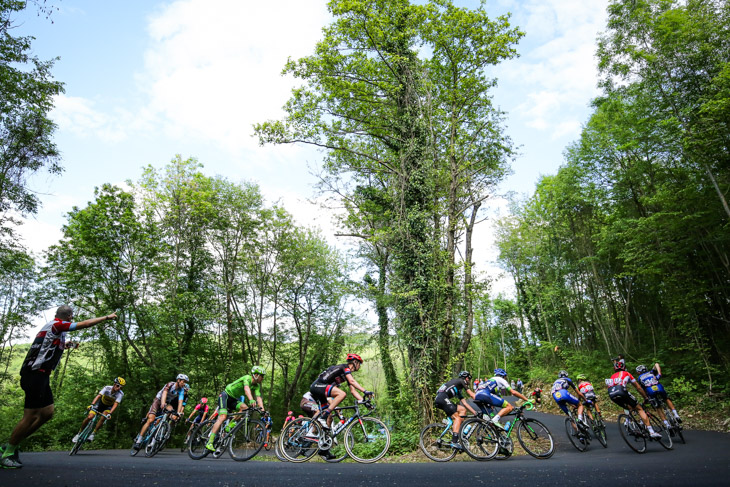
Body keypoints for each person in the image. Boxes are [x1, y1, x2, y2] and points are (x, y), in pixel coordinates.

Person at [0, 306, 117, 469]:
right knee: (31, 415)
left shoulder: (54, 329)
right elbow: (85, 324)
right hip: (34, 374)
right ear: (69, 316)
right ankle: (8, 452)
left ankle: (12, 444)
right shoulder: (57, 325)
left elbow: (47, 345)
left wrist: (67, 344)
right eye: (72, 317)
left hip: (42, 376)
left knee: (47, 413)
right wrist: (106, 317)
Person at [206, 366, 267, 452]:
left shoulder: (256, 386)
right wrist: (251, 399)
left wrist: (263, 410)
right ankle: (210, 442)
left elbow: (259, 398)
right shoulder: (247, 378)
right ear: (256, 375)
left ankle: (229, 426)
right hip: (225, 395)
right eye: (262, 376)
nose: (263, 378)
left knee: (245, 408)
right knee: (223, 417)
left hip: (233, 399)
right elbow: (246, 389)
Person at [310, 354, 371, 428]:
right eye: (359, 363)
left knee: (329, 417)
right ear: (355, 362)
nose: (360, 366)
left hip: (321, 390)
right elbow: (352, 381)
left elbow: (353, 391)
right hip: (317, 386)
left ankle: (311, 434)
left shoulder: (347, 374)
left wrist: (364, 402)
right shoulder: (344, 367)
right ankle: (323, 418)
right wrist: (365, 391)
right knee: (342, 394)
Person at [605, 357, 662, 438]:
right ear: (624, 368)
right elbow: (638, 388)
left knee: (630, 407)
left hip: (612, 395)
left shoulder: (612, 376)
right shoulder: (627, 373)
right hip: (621, 391)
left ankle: (628, 421)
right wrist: (646, 397)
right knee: (639, 408)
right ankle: (651, 432)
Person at [133, 373, 189, 449]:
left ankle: (153, 441)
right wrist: (162, 403)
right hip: (159, 400)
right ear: (178, 380)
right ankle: (138, 441)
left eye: (185, 382)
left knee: (165, 417)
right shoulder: (170, 384)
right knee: (151, 419)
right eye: (183, 381)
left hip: (167, 403)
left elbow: (180, 401)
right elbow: (164, 393)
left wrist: (178, 412)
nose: (184, 383)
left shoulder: (181, 390)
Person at [72, 377, 126, 443]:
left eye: (121, 387)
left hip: (108, 407)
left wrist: (110, 413)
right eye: (118, 386)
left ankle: (93, 434)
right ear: (114, 384)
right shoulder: (107, 388)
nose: (119, 388)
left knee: (103, 417)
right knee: (90, 417)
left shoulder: (120, 394)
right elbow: (98, 396)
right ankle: (78, 433)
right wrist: (92, 404)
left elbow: (115, 404)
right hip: (100, 404)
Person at [434, 371, 478, 450]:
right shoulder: (461, 381)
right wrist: (482, 400)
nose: (469, 381)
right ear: (466, 378)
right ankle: (454, 441)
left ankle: (458, 432)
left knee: (462, 409)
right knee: (457, 418)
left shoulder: (457, 388)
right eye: (469, 379)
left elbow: (464, 403)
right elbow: (472, 395)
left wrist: (475, 412)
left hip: (441, 399)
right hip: (442, 399)